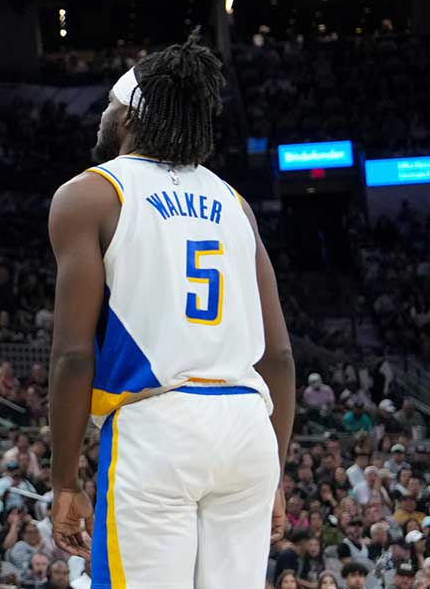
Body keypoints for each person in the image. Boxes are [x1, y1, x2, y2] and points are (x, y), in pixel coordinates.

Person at [46, 33, 296, 589]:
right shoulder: (236, 204)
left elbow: (71, 355)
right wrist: (275, 472)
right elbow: (278, 356)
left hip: (157, 424)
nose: (101, 118)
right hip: (248, 428)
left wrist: (65, 480)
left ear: (131, 116)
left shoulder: (90, 194)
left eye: (109, 106)